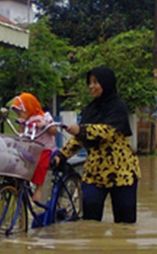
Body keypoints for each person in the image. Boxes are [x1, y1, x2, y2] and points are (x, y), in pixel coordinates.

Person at [52, 67, 141, 223]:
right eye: (89, 82)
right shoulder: (89, 110)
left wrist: (82, 129)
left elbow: (107, 131)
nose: (91, 86)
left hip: (122, 174)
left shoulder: (118, 108)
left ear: (106, 83)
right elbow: (78, 140)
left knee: (125, 225)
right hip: (95, 173)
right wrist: (61, 155)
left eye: (96, 82)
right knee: (90, 222)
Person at [10, 93, 57, 203]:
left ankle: (39, 189)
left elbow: (54, 131)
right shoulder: (26, 121)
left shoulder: (45, 117)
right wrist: (21, 125)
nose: (19, 116)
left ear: (29, 107)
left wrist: (45, 125)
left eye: (20, 112)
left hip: (45, 148)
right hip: (31, 148)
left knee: (41, 163)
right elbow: (21, 134)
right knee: (16, 153)